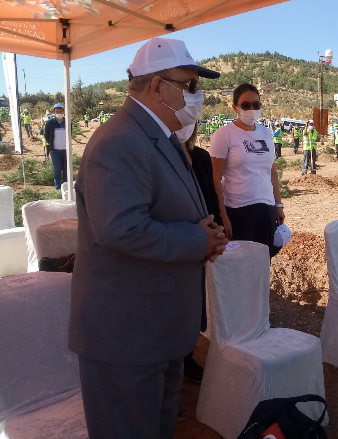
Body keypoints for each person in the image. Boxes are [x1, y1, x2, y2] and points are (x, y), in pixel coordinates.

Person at [69, 37, 228, 439]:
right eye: (190, 86)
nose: (198, 96)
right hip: (127, 337)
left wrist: (203, 230)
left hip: (158, 330)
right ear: (157, 86)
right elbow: (121, 228)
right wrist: (198, 241)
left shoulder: (159, 138)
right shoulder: (120, 141)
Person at [209, 83, 285, 257]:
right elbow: (215, 178)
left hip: (266, 209)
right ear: (235, 107)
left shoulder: (266, 134)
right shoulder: (224, 135)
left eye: (256, 105)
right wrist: (223, 216)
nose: (251, 109)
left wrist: (278, 205)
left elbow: (271, 172)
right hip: (238, 211)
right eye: (245, 105)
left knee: (263, 262)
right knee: (241, 265)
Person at [178, 121, 223, 384]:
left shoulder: (201, 156)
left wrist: (217, 228)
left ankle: (186, 357)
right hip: (179, 241)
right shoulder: (164, 158)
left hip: (202, 242)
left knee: (196, 301)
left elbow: (212, 197)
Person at [44, 103, 68, 189]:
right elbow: (46, 135)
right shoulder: (50, 123)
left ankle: (66, 185)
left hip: (66, 150)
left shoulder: (67, 122)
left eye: (60, 111)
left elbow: (70, 133)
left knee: (66, 168)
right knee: (57, 169)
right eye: (57, 111)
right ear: (54, 112)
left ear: (63, 112)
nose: (59, 113)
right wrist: (51, 144)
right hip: (55, 150)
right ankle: (57, 186)